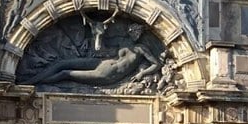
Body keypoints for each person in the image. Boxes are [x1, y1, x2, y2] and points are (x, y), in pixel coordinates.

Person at [22, 24, 159, 86]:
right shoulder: (121, 41)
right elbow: (100, 45)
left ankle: (34, 83)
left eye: (138, 32)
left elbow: (156, 64)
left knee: (65, 73)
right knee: (60, 63)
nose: (135, 34)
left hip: (107, 76)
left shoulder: (142, 49)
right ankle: (31, 80)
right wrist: (97, 34)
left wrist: (142, 73)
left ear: (141, 34)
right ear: (129, 32)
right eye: (133, 31)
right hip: (102, 63)